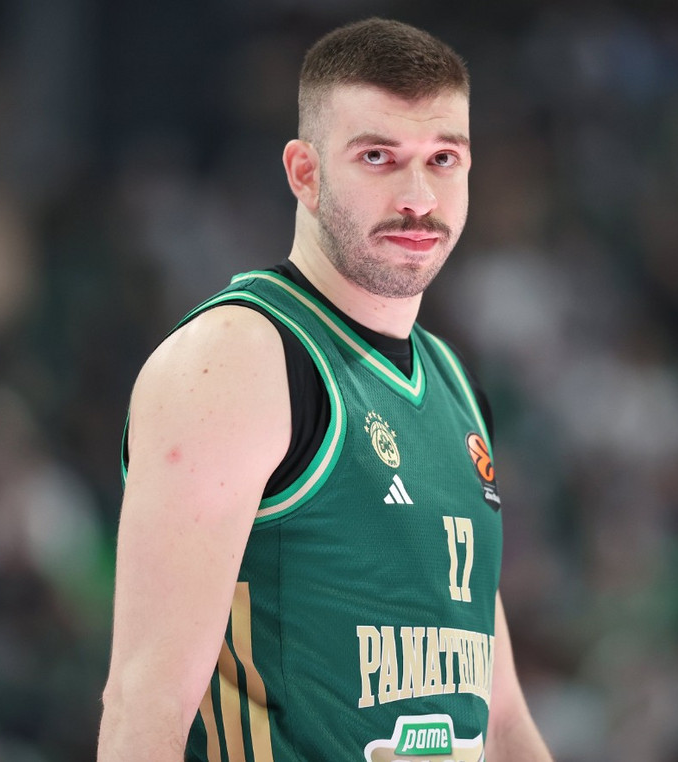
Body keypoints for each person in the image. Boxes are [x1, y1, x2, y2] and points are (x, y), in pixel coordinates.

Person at [98, 17, 553, 762]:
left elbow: (500, 723)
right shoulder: (237, 359)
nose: (418, 197)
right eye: (378, 157)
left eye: (443, 159)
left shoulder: (454, 382)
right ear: (304, 173)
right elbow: (143, 704)